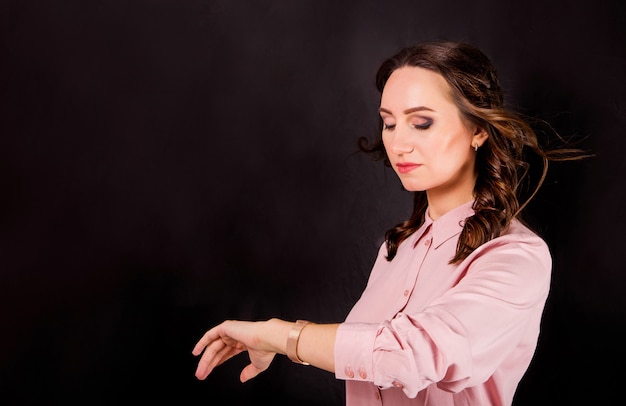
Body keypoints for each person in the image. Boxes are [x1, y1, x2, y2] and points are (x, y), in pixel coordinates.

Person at [191, 40, 589, 405]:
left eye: (422, 122)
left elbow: (411, 354)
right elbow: (369, 352)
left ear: (479, 129)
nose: (399, 143)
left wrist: (279, 336)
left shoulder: (516, 257)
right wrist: (282, 342)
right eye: (389, 122)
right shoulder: (398, 246)